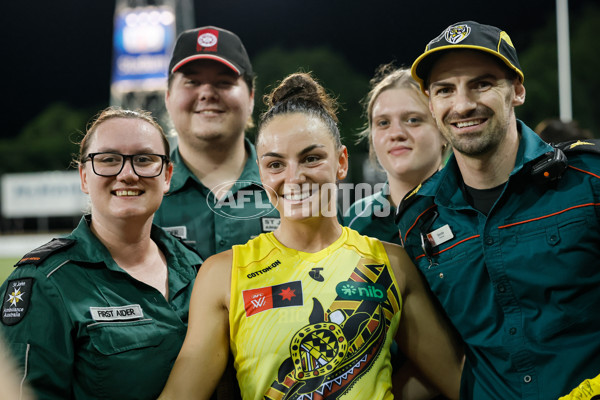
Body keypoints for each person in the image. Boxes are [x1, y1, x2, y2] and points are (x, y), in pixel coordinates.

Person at [157, 72, 463, 400]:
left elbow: (460, 382)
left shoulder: (391, 264)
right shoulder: (223, 274)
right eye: (276, 165)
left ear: (342, 162)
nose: (294, 177)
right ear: (261, 173)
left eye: (311, 158)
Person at [396, 20, 600, 399]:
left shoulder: (590, 180)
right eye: (445, 90)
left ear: (517, 90)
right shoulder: (418, 220)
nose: (462, 104)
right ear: (430, 103)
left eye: (482, 83)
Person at [0, 107, 202, 399]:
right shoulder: (43, 282)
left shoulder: (197, 269)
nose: (128, 174)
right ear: (84, 177)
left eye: (144, 160)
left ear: (167, 175)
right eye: (108, 160)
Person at [154, 26, 280, 260]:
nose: (207, 93)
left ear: (251, 98)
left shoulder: (289, 186)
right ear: (168, 98)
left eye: (224, 82)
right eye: (192, 82)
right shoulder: (144, 192)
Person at [344, 64, 449, 245]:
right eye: (383, 123)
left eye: (413, 120)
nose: (396, 133)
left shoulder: (472, 210)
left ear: (444, 132)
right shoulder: (354, 221)